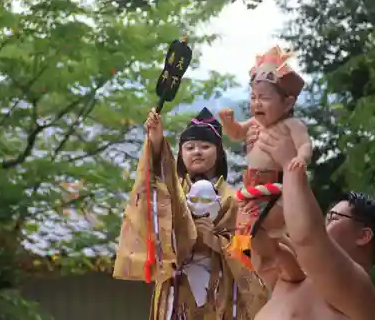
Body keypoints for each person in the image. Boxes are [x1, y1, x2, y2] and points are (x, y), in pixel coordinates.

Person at [113, 107, 268, 320]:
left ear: (219, 152)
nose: (197, 152)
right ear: (180, 154)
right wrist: (156, 142)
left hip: (220, 290)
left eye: (205, 146)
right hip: (177, 288)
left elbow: (254, 255)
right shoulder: (172, 196)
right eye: (189, 147)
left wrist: (217, 242)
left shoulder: (234, 200)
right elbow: (154, 182)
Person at [246, 123, 375, 320]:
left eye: (333, 218)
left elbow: (307, 237)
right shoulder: (293, 275)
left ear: (363, 235)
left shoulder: (359, 291)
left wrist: (291, 164)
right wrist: (262, 162)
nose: (323, 225)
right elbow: (260, 236)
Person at [218, 46, 312, 268]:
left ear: (287, 103)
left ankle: (259, 263)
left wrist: (300, 158)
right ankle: (253, 265)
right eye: (253, 97)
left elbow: (305, 145)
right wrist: (228, 123)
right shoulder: (255, 123)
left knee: (260, 233)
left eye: (265, 98)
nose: (257, 103)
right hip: (251, 185)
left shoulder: (291, 125)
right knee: (259, 235)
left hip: (276, 186)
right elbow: (237, 133)